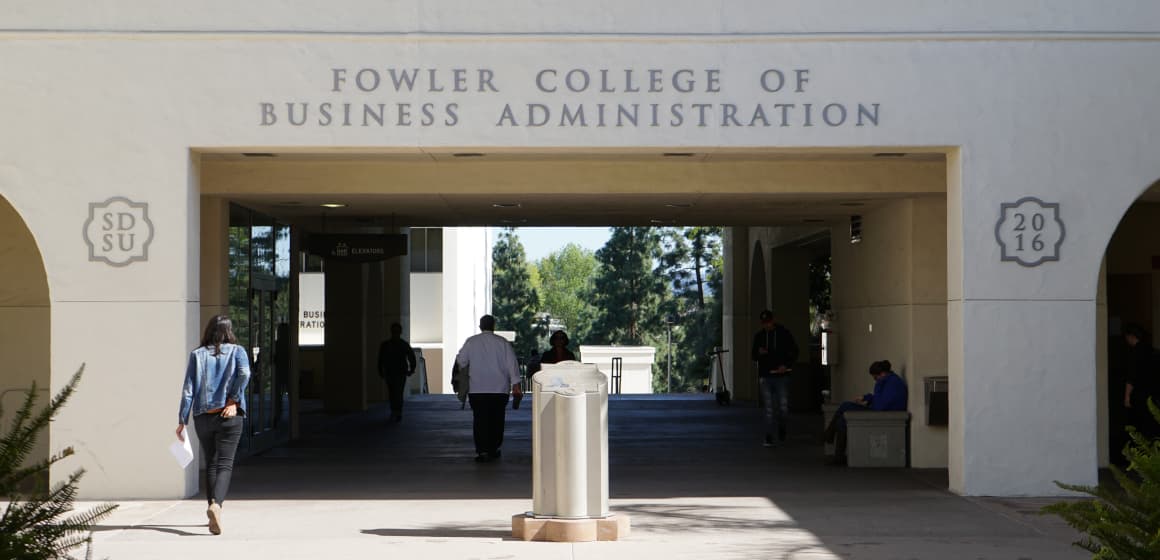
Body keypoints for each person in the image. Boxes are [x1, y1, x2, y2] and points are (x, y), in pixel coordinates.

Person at [176, 315, 252, 535]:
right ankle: (216, 506)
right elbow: (245, 373)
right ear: (229, 331)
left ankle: (211, 514)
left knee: (211, 462)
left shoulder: (197, 355)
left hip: (203, 416)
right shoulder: (237, 351)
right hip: (228, 415)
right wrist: (233, 400)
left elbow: (188, 389)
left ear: (209, 331)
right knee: (225, 464)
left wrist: (182, 420)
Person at [455, 314, 522, 463]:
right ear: (494, 326)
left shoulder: (471, 342)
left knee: (479, 420)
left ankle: (481, 450)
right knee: (497, 420)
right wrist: (516, 384)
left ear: (480, 326)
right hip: (499, 389)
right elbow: (512, 364)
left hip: (477, 389)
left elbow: (461, 360)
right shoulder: (502, 342)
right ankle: (493, 448)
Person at [822, 360, 908, 466]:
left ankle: (828, 435)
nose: (875, 380)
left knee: (845, 406)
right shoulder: (889, 381)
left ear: (882, 374)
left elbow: (881, 405)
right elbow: (880, 399)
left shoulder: (892, 383)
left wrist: (876, 390)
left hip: (883, 414)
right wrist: (866, 397)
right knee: (841, 421)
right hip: (881, 410)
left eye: (875, 378)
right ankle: (838, 456)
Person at [751, 309, 798, 447]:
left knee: (783, 407)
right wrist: (759, 353)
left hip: (782, 375)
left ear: (773, 320)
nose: (767, 325)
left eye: (769, 322)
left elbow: (795, 351)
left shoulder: (784, 334)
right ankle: (768, 436)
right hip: (765, 376)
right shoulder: (759, 336)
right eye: (764, 323)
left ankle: (782, 426)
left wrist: (786, 365)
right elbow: (753, 355)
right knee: (769, 407)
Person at [1123, 324, 1159, 438]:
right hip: (1153, 392)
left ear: (1131, 336)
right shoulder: (1152, 350)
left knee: (1138, 425)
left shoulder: (1135, 353)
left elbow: (1131, 376)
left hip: (1139, 393)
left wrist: (1127, 397)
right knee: (1151, 423)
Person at [378, 322, 417, 422]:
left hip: (392, 372)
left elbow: (380, 359)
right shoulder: (403, 344)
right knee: (397, 392)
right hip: (398, 372)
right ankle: (397, 411)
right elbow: (411, 357)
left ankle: (395, 411)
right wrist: (411, 370)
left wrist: (380, 371)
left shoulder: (386, 345)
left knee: (393, 393)